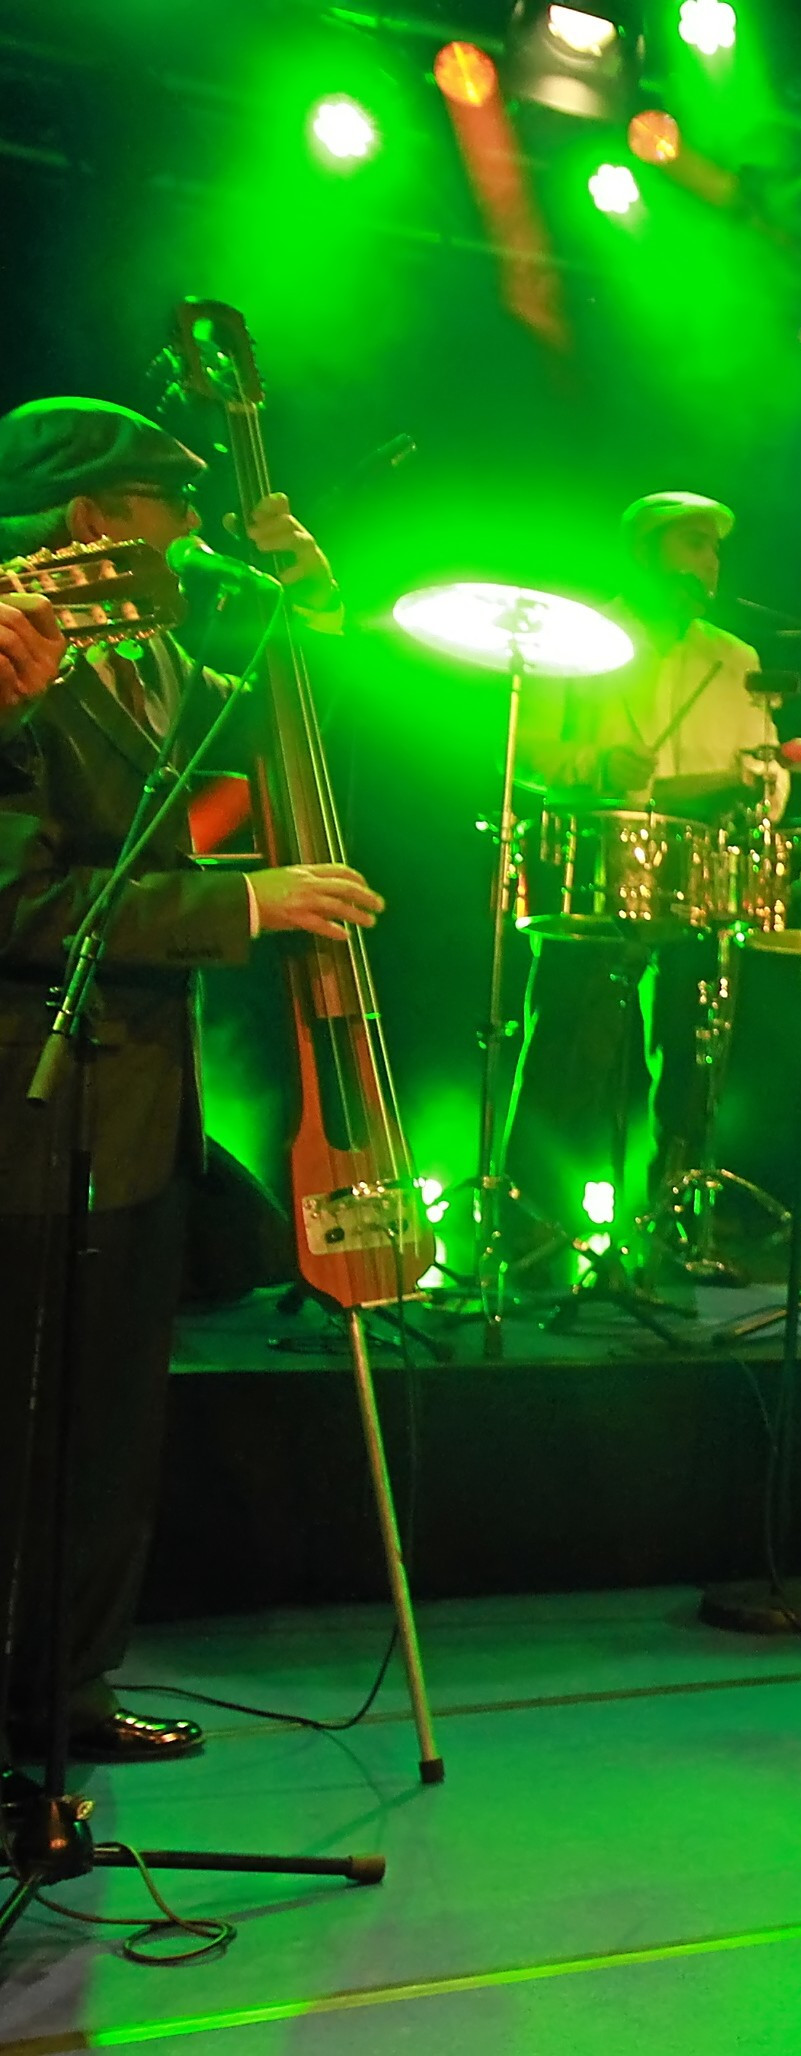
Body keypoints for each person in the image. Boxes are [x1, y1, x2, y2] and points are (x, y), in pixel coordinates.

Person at [0, 397, 384, 1767]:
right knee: (26, 1430)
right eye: (174, 508)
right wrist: (245, 903)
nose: (197, 532)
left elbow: (279, 735)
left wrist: (310, 616)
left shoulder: (146, 651)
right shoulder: (19, 664)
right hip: (34, 1100)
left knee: (109, 1428)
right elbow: (23, 905)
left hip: (143, 1105)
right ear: (92, 521)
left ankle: (64, 1695)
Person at [504, 492, 781, 1273]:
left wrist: (757, 788)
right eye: (692, 545)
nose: (710, 562)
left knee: (697, 1052)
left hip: (700, 868)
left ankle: (676, 1221)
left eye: (715, 550)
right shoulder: (576, 639)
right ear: (643, 554)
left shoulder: (737, 658)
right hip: (596, 860)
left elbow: (768, 764)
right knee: (572, 1045)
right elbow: (520, 751)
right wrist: (596, 765)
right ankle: (534, 1228)